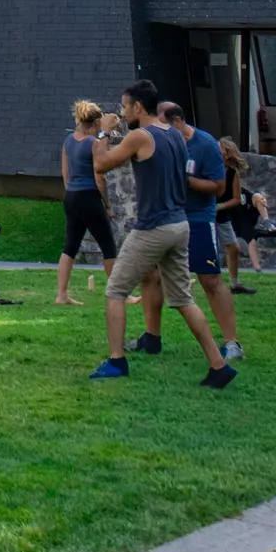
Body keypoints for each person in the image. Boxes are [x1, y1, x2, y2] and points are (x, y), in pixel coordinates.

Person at [88, 79, 235, 388]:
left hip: (153, 228)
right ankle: (218, 366)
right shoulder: (176, 136)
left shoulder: (141, 136)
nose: (123, 113)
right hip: (180, 225)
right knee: (183, 298)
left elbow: (100, 165)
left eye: (125, 107)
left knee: (115, 291)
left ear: (138, 107)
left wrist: (103, 131)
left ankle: (116, 362)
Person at [123, 104, 244, 362]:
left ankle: (232, 343)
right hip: (165, 218)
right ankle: (151, 338)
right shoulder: (160, 140)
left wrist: (185, 179)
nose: (162, 130)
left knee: (210, 280)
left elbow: (219, 187)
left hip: (198, 220)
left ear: (178, 121)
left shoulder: (206, 145)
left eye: (166, 125)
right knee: (151, 275)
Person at [55, 101, 120, 306]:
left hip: (71, 196)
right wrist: (107, 205)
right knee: (108, 246)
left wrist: (70, 192)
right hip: (89, 197)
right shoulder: (93, 143)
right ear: (94, 123)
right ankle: (120, 295)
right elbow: (100, 177)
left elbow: (65, 173)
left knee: (70, 247)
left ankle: (61, 295)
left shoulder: (68, 141)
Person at [215, 137, 252, 294]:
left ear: (227, 154)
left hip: (220, 214)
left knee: (234, 248)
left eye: (219, 148)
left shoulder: (232, 173)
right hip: (203, 213)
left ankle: (234, 284)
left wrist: (219, 207)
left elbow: (237, 199)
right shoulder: (209, 168)